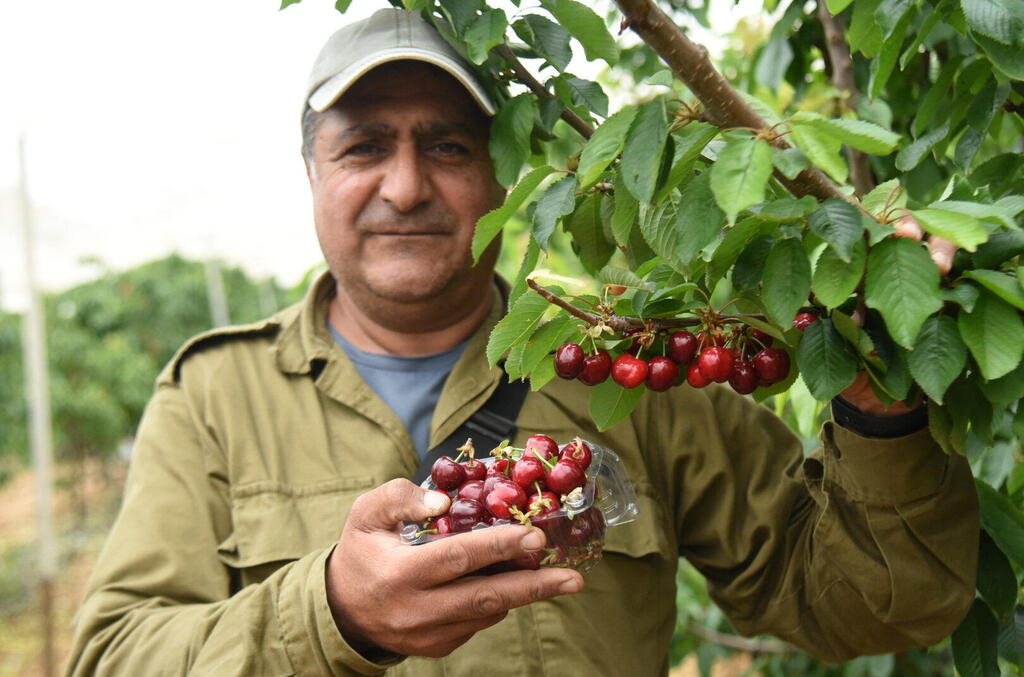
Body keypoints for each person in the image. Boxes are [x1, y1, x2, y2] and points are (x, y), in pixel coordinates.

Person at [63, 7, 979, 676]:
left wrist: (881, 412)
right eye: (364, 148)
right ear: (312, 170)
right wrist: (335, 610)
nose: (407, 186)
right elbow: (113, 658)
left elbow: (878, 603)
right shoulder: (214, 399)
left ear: (507, 172)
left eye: (450, 148)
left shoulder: (636, 370)